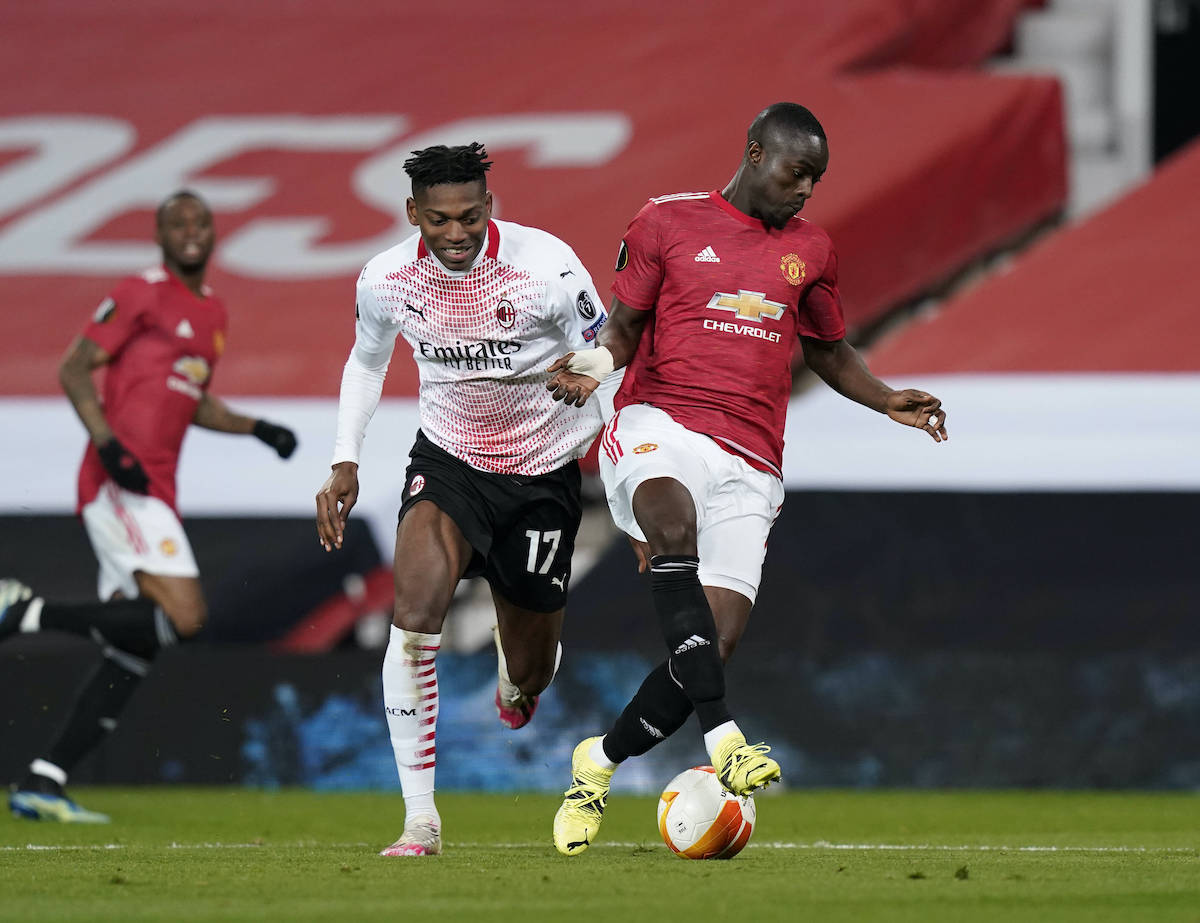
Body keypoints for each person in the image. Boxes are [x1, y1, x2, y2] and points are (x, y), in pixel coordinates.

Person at [545, 102, 949, 855]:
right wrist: (596, 365)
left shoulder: (814, 249)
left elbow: (827, 350)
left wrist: (886, 395)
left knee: (711, 643)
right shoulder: (666, 221)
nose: (806, 192)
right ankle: (725, 734)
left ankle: (593, 764)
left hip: (753, 459)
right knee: (671, 528)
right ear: (756, 152)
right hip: (659, 424)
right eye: (798, 173)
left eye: (817, 181)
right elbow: (624, 328)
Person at [314, 143, 607, 857]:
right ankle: (421, 820)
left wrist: (595, 385)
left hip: (543, 475)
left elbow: (613, 351)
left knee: (529, 673)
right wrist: (344, 459)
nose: (456, 233)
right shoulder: (386, 278)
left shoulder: (547, 269)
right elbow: (366, 359)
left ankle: (521, 674)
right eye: (439, 219)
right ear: (413, 213)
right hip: (448, 462)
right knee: (413, 618)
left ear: (488, 207)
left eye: (470, 217)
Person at [0, 190, 297, 822]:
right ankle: (26, 611)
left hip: (157, 486)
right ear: (161, 236)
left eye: (200, 222)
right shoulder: (141, 291)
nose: (190, 231)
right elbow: (74, 368)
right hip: (120, 482)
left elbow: (193, 401)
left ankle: (42, 781)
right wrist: (107, 446)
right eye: (177, 223)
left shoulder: (212, 311)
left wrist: (258, 429)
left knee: (137, 645)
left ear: (214, 234)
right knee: (185, 616)